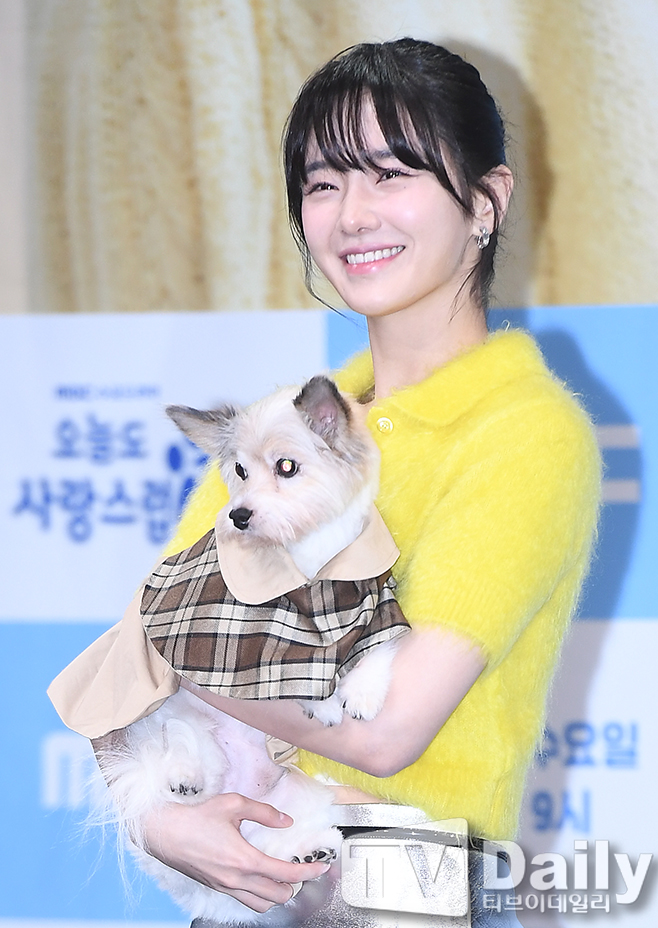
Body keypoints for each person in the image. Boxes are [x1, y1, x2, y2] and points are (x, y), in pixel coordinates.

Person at [51, 39, 601, 926]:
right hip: (243, 884)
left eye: (390, 174)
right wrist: (158, 821)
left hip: (408, 885)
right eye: (322, 183)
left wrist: (197, 668)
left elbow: (384, 732)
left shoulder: (525, 432)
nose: (351, 215)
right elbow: (129, 668)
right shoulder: (271, 433)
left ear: (486, 201)